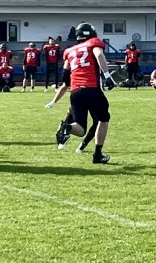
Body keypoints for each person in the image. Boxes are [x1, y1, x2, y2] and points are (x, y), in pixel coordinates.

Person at [48, 22, 112, 164]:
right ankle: (97, 154)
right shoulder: (94, 43)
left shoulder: (69, 51)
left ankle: (67, 127)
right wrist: (107, 75)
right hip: (92, 88)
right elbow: (99, 55)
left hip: (75, 91)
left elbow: (65, 75)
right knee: (103, 119)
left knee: (80, 129)